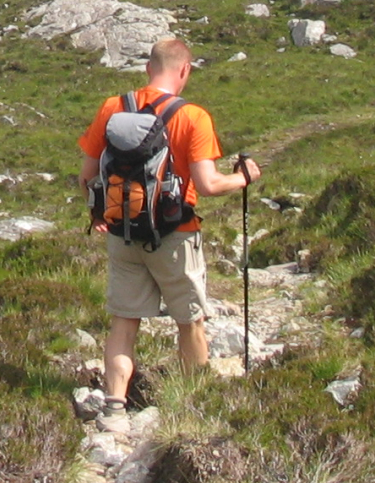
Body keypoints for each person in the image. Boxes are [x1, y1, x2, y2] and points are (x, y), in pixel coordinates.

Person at [77, 38, 260, 413]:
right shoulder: (193, 116)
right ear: (185, 71)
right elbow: (208, 185)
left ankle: (113, 406)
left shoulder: (113, 108)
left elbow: (86, 176)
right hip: (176, 234)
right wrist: (242, 179)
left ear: (148, 68)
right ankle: (194, 403)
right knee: (189, 321)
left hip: (122, 232)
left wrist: (102, 214)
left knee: (124, 322)